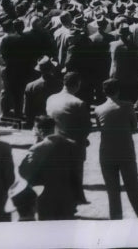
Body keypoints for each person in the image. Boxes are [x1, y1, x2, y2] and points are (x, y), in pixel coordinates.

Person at [94, 78, 138, 219]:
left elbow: (100, 128)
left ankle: (116, 218)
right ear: (118, 91)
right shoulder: (128, 106)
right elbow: (134, 127)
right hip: (126, 151)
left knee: (112, 190)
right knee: (133, 185)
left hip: (106, 152)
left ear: (104, 92)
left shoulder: (98, 109)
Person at [18, 114, 82, 220]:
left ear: (40, 130)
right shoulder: (71, 144)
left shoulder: (37, 149)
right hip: (68, 197)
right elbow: (76, 171)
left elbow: (24, 172)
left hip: (46, 198)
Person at [45, 70, 91, 206]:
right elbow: (86, 127)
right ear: (77, 84)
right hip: (73, 145)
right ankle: (75, 201)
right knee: (75, 177)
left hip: (53, 142)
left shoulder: (51, 98)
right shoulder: (78, 103)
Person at [22, 56, 62, 128]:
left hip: (37, 121)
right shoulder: (59, 85)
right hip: (55, 121)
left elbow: (26, 110)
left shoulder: (30, 86)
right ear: (52, 69)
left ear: (40, 70)